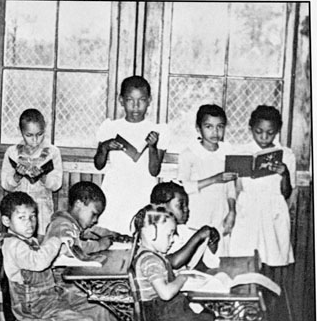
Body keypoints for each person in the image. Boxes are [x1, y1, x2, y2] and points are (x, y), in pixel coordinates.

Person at [1, 192, 124, 321]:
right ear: (6, 221)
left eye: (33, 216)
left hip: (49, 296)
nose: (30, 223)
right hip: (33, 306)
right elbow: (39, 262)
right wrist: (56, 240)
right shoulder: (13, 245)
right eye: (22, 218)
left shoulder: (27, 241)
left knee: (98, 307)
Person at [132, 204, 256, 321]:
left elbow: (182, 269)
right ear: (152, 233)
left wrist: (198, 248)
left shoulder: (148, 256)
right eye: (169, 234)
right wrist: (182, 278)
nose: (173, 239)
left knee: (211, 319)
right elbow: (165, 294)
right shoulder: (151, 260)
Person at [94, 76, 167, 235]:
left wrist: (153, 147)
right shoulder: (110, 127)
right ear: (121, 100)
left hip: (142, 190)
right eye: (130, 100)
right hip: (115, 191)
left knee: (139, 234)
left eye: (141, 100)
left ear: (149, 100)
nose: (136, 106)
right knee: (110, 234)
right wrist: (105, 147)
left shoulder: (157, 130)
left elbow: (154, 171)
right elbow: (98, 164)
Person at [228, 106, 295, 267]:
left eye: (270, 133)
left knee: (272, 258)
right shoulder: (241, 151)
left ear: (277, 130)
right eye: (259, 132)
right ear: (251, 129)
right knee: (244, 256)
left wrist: (284, 174)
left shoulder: (286, 154)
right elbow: (235, 188)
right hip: (247, 209)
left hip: (273, 210)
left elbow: (286, 193)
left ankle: (268, 290)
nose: (264, 137)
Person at [177, 104, 237, 256]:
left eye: (220, 127)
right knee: (196, 257)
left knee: (218, 257)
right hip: (197, 213)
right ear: (198, 129)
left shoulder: (227, 151)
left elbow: (231, 187)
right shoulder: (189, 154)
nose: (215, 132)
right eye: (209, 127)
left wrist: (231, 211)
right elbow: (183, 187)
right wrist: (214, 179)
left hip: (219, 212)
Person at [1, 109, 63, 236]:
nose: (35, 140)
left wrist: (43, 177)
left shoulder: (52, 152)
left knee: (41, 242)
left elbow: (56, 185)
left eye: (39, 134)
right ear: (21, 131)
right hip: (19, 211)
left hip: (42, 210)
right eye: (29, 135)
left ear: (44, 129)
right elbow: (5, 185)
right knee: (18, 243)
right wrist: (17, 176)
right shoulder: (12, 152)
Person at [150, 181, 220, 270]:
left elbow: (205, 264)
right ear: (160, 207)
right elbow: (173, 263)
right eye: (181, 205)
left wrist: (212, 242)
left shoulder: (184, 232)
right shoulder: (154, 234)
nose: (186, 209)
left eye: (187, 205)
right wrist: (198, 237)